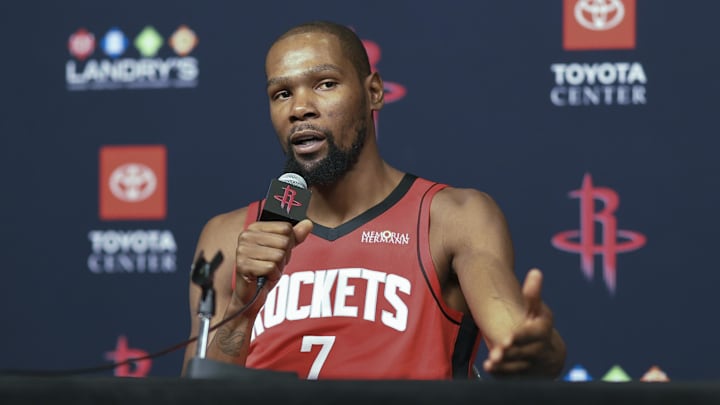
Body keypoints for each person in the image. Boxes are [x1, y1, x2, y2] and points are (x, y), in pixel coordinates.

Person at [182, 20, 566, 380]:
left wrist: (538, 348)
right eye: (282, 94)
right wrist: (241, 308)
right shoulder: (229, 236)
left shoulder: (452, 218)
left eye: (325, 84)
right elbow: (196, 395)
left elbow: (515, 336)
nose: (300, 108)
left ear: (374, 93)